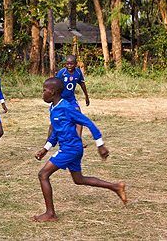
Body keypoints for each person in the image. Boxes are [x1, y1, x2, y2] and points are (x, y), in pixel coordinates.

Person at [33, 77, 127, 222]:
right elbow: (56, 132)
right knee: (79, 179)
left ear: (52, 92)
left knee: (43, 175)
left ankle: (50, 214)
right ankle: (115, 187)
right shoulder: (53, 107)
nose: (42, 93)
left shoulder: (66, 107)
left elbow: (87, 122)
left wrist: (100, 144)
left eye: (44, 90)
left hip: (70, 149)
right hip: (71, 148)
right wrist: (45, 149)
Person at [52, 55, 90, 140]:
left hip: (71, 99)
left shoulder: (78, 73)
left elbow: (82, 84)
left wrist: (86, 96)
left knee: (78, 116)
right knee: (55, 119)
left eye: (71, 64)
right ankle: (50, 140)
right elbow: (55, 84)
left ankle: (78, 140)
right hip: (61, 99)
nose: (69, 66)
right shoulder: (62, 73)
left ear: (75, 64)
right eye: (67, 64)